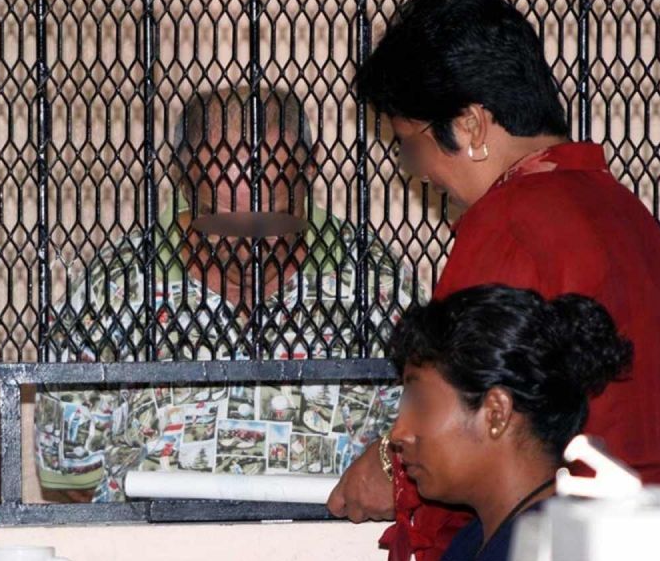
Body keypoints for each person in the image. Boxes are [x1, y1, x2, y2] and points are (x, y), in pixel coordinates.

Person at [326, 0, 660, 561]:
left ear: (470, 126)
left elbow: (465, 415)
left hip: (557, 537)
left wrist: (392, 465)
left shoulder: (508, 225)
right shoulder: (627, 212)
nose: (420, 173)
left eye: (410, 146)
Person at [34, 85, 422, 501]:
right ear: (183, 177)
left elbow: (422, 437)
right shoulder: (112, 288)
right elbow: (71, 474)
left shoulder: (375, 284)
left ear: (309, 169)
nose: (247, 240)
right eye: (220, 219)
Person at [389, 284, 633, 561]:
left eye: (421, 403)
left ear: (496, 413)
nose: (398, 433)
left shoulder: (549, 552)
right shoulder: (475, 540)